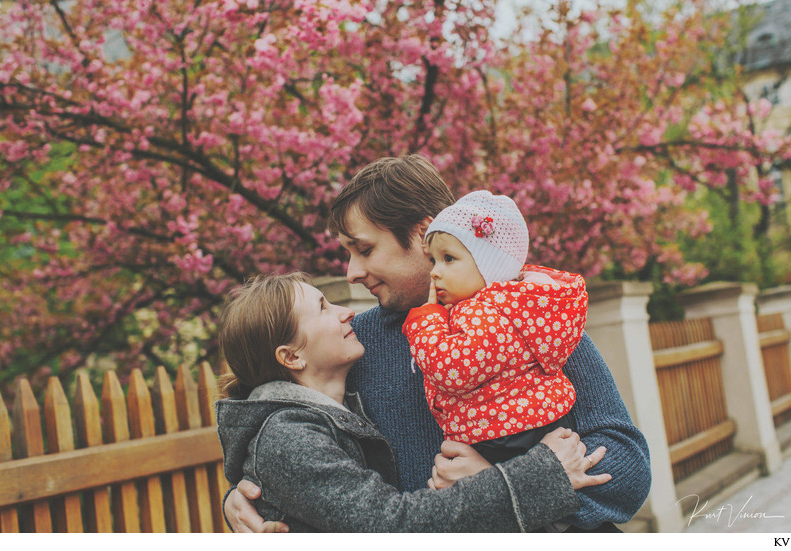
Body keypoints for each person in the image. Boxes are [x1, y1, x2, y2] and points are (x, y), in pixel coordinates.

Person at [223, 154, 651, 532]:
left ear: (423, 234)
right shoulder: (353, 345)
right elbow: (280, 430)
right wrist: (242, 498)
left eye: (365, 249)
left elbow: (628, 465)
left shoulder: (531, 317)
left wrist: (502, 481)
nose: (351, 272)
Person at [215, 272, 610, 532]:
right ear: (291, 357)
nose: (346, 310)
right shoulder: (289, 437)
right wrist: (544, 474)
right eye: (322, 307)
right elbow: (393, 526)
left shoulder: (333, 410)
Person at [403, 190, 588, 464]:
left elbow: (452, 370)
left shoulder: (486, 312)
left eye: (449, 259)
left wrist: (427, 322)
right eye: (433, 260)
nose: (434, 271)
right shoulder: (517, 305)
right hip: (532, 422)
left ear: (489, 267)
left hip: (502, 433)